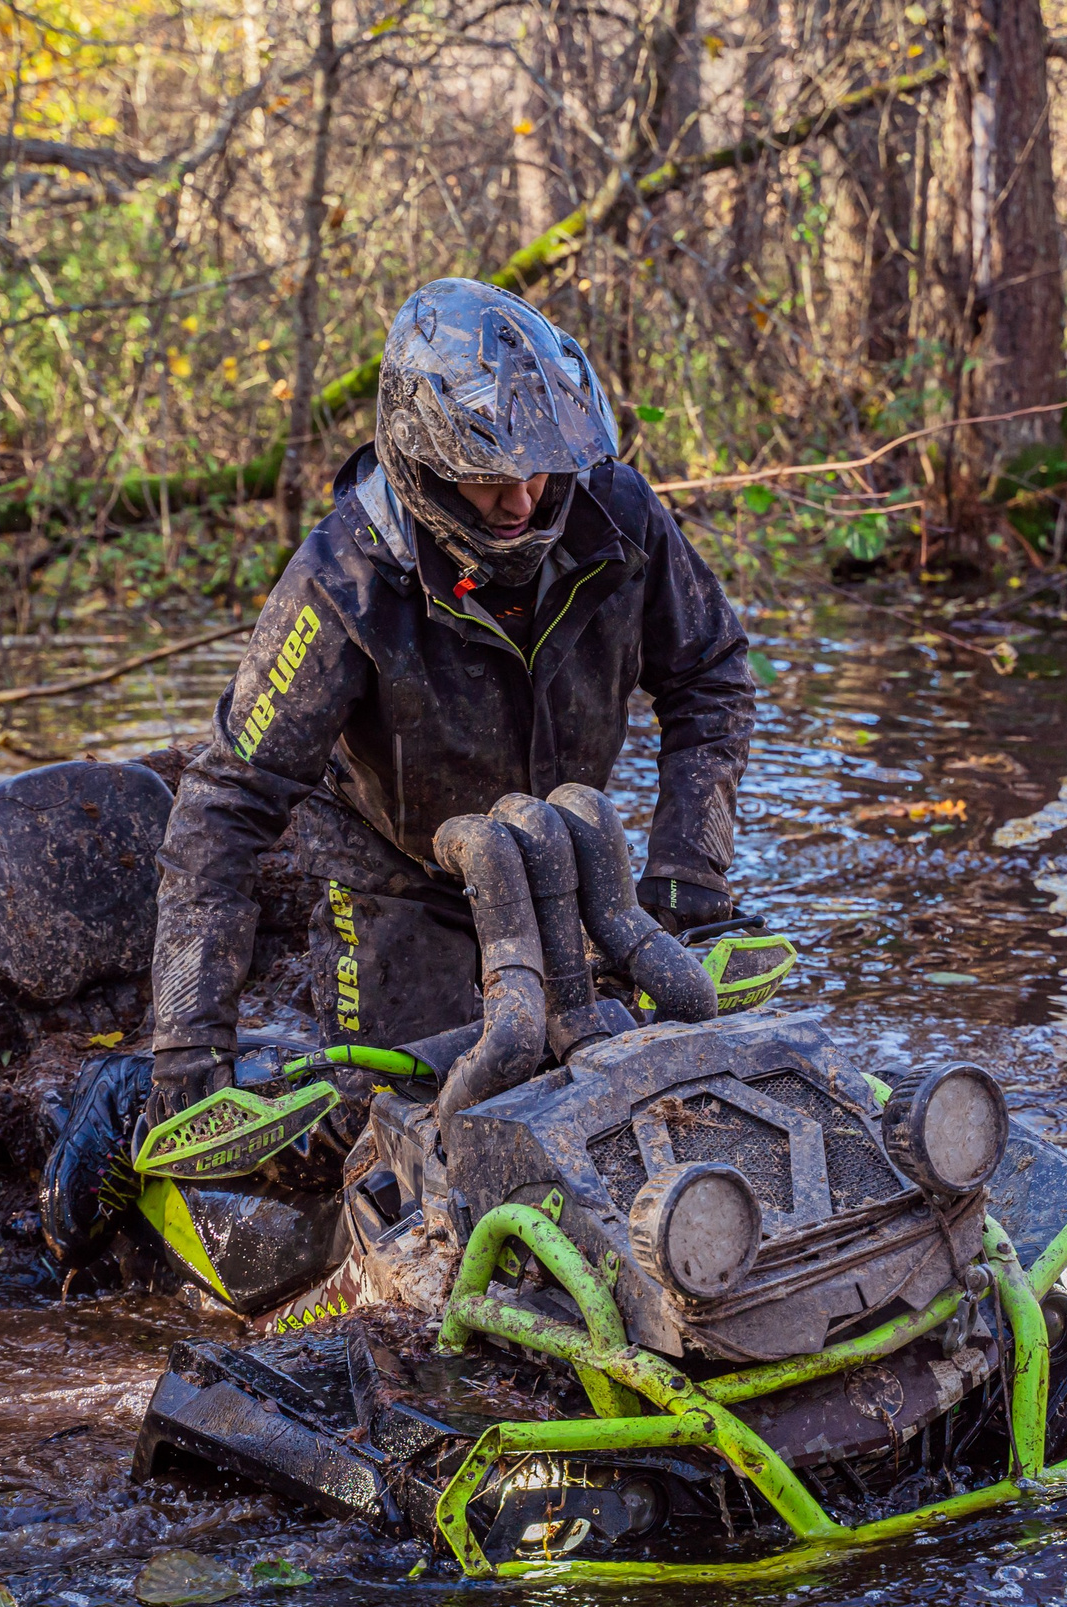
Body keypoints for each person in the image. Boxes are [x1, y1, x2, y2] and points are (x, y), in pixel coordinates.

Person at [39, 277, 756, 1258]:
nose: (522, 498)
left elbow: (712, 674)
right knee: (395, 1135)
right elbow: (226, 804)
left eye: (540, 470)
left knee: (644, 1078)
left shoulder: (617, 516)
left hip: (561, 850)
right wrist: (187, 1040)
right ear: (423, 458)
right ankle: (127, 1096)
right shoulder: (343, 578)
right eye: (489, 477)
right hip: (395, 866)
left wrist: (691, 866)